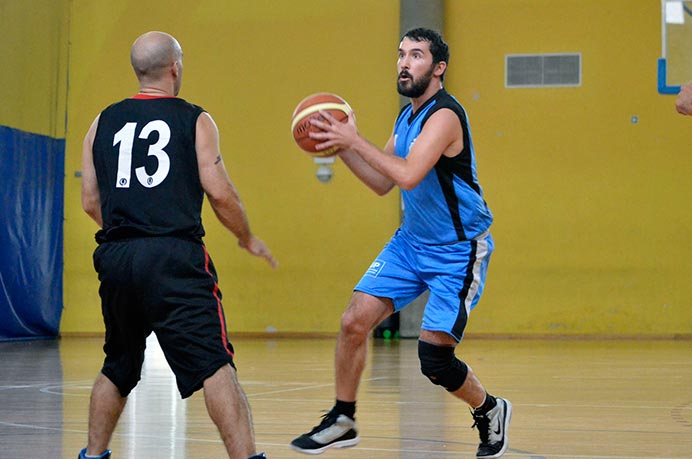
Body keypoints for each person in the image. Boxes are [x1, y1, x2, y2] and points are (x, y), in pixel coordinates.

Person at [290, 28, 511, 458]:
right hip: (411, 243)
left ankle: (489, 409)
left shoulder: (445, 115)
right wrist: (342, 147)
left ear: (438, 68)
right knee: (354, 320)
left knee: (434, 361)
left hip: (458, 250)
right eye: (401, 54)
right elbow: (381, 182)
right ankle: (343, 418)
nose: (405, 63)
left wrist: (354, 140)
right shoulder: (405, 116)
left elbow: (408, 173)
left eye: (416, 55)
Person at [79, 31, 277, 459]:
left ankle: (92, 455)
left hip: (116, 257)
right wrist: (246, 236)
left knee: (118, 364)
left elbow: (90, 200)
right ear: (175, 67)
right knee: (215, 365)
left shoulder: (101, 121)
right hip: (173, 257)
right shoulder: (194, 119)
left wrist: (129, 231)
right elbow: (221, 193)